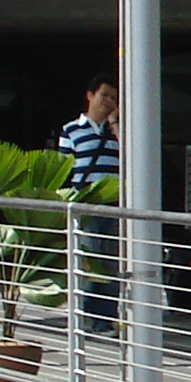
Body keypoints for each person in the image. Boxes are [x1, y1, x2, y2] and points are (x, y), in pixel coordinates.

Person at [56, 74, 121, 335]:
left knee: (111, 261)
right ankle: (90, 318)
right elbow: (61, 169)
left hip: (114, 201)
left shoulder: (116, 130)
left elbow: (131, 153)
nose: (108, 101)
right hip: (85, 201)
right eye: (104, 95)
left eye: (114, 98)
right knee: (90, 257)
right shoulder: (71, 130)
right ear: (91, 95)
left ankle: (106, 317)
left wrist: (115, 123)